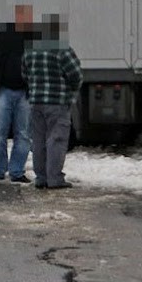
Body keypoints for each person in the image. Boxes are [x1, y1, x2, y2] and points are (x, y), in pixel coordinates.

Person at [23, 13, 82, 189]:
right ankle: (55, 179)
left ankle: (41, 178)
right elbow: (75, 74)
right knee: (56, 140)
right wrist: (71, 90)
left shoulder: (30, 51)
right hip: (57, 102)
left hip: (36, 102)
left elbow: (25, 74)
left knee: (39, 140)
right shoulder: (62, 50)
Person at [0, 3, 35, 183]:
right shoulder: (0, 34)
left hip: (25, 93)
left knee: (23, 135)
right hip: (3, 90)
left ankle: (16, 172)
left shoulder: (34, 37)